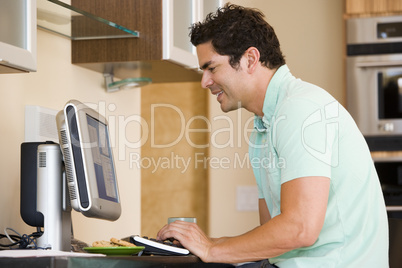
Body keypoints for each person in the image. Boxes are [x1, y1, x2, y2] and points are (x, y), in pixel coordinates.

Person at [157, 3, 389, 267]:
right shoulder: (264, 126)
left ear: (250, 59)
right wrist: (210, 243)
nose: (204, 82)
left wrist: (212, 250)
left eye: (211, 68)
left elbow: (300, 228)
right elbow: (272, 234)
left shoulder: (300, 110)